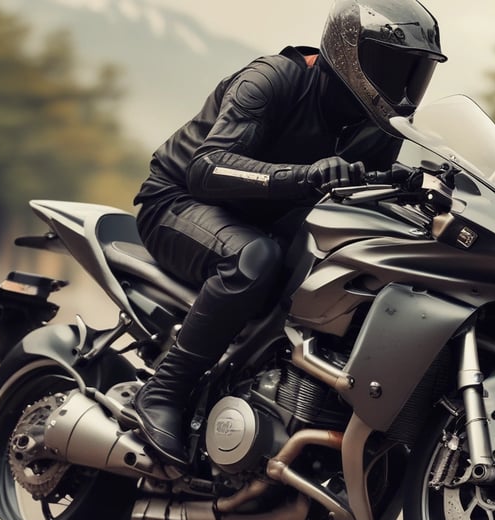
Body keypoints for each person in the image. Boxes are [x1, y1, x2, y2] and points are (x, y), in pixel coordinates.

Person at [132, 0, 446, 466]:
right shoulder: (275, 78)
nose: (402, 83)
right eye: (392, 64)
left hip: (269, 223)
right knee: (250, 260)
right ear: (348, 52)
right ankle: (164, 392)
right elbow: (206, 166)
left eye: (414, 71)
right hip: (180, 203)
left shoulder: (381, 128)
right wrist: (304, 176)